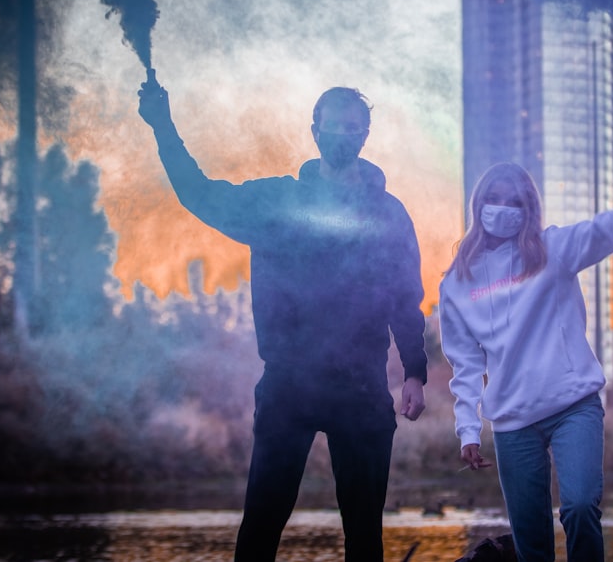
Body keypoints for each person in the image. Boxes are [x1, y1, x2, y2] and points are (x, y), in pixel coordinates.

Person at [137, 80, 428, 562]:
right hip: (288, 385)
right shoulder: (275, 202)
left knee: (364, 535)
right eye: (333, 126)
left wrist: (415, 371)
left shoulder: (388, 213)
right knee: (261, 526)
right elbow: (199, 195)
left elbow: (404, 297)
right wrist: (163, 126)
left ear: (366, 133)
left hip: (361, 389)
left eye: (352, 128)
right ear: (314, 131)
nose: (342, 134)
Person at [438, 143, 613, 562]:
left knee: (579, 506)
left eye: (515, 201)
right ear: (478, 205)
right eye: (494, 199)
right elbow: (465, 362)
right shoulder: (457, 281)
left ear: (529, 208)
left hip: (573, 407)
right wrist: (468, 430)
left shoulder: (553, 249)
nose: (503, 209)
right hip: (512, 421)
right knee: (531, 538)